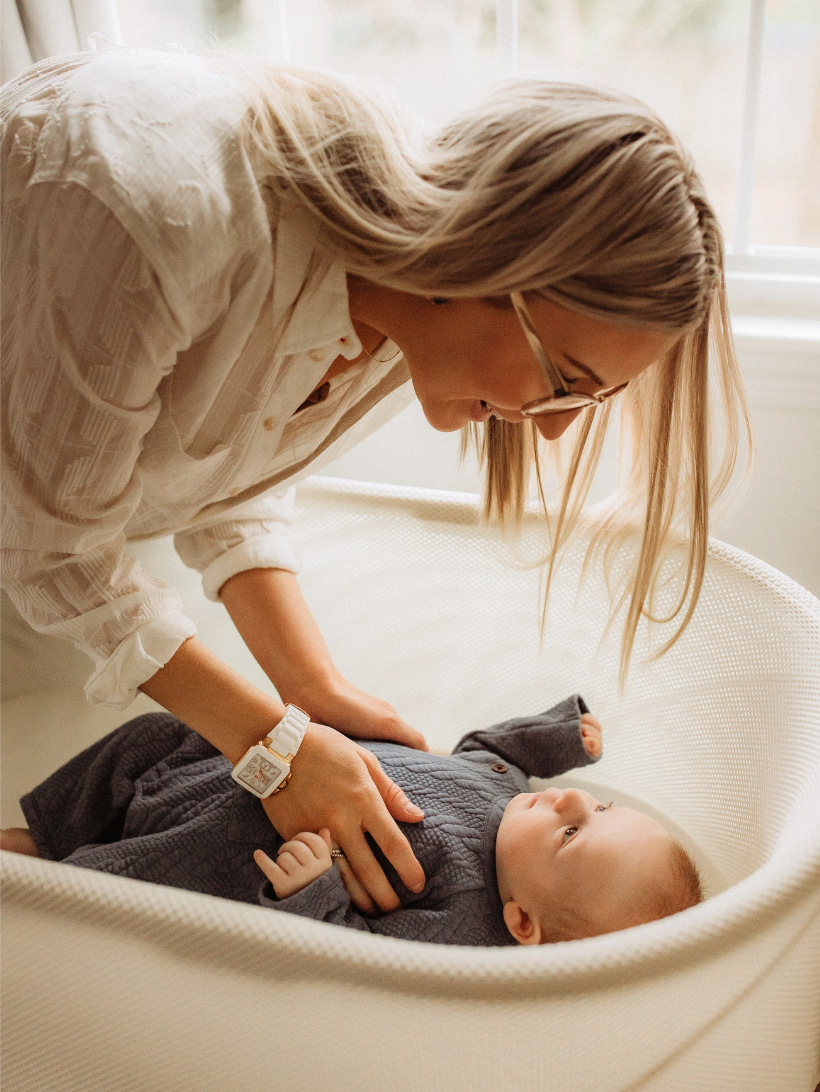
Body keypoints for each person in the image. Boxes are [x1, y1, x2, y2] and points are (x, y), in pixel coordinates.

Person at [0, 46, 747, 917]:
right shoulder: (160, 212)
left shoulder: (403, 319)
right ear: (494, 266)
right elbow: (50, 547)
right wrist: (270, 745)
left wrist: (310, 685)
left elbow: (226, 465)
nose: (550, 428)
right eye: (567, 382)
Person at [1, 696, 702, 945]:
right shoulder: (510, 793)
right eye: (601, 805)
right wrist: (552, 736)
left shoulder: (467, 918)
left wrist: (313, 894)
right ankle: (43, 837)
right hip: (227, 759)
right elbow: (481, 749)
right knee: (148, 736)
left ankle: (39, 875)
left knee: (97, 887)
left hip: (212, 849)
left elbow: (364, 961)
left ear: (523, 922)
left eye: (573, 833)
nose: (570, 800)